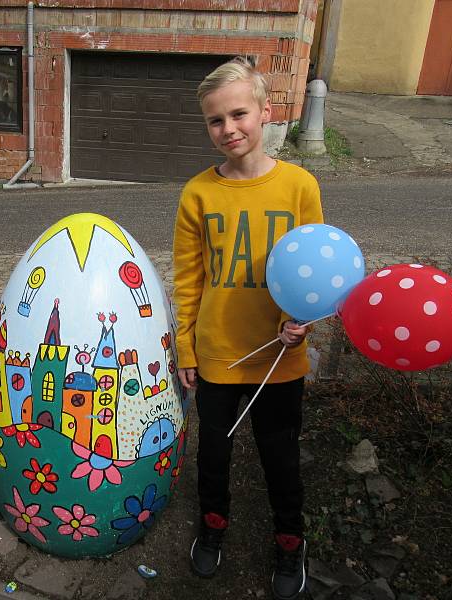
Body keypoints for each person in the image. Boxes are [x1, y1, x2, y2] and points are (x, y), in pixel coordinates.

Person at [173, 58, 323, 599]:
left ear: (266, 112)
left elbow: (315, 272)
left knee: (280, 456)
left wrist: (297, 323)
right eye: (216, 120)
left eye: (239, 114)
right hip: (217, 355)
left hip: (281, 360)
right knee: (213, 454)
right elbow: (188, 279)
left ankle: (290, 539)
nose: (229, 128)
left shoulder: (300, 186)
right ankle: (213, 526)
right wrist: (186, 347)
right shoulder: (197, 195)